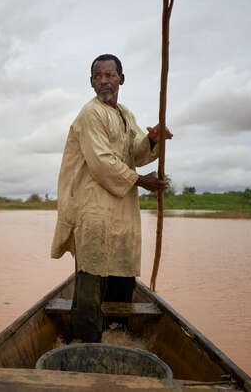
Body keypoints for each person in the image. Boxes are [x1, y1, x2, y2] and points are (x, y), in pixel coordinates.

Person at [51, 53, 172, 342]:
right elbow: (101, 162)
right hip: (92, 208)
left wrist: (153, 139)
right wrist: (141, 181)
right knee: (91, 279)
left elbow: (136, 153)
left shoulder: (125, 114)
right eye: (97, 76)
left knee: (122, 274)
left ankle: (117, 336)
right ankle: (86, 343)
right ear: (91, 82)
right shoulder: (90, 114)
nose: (103, 81)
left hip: (121, 209)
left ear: (121, 79)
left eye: (109, 75)